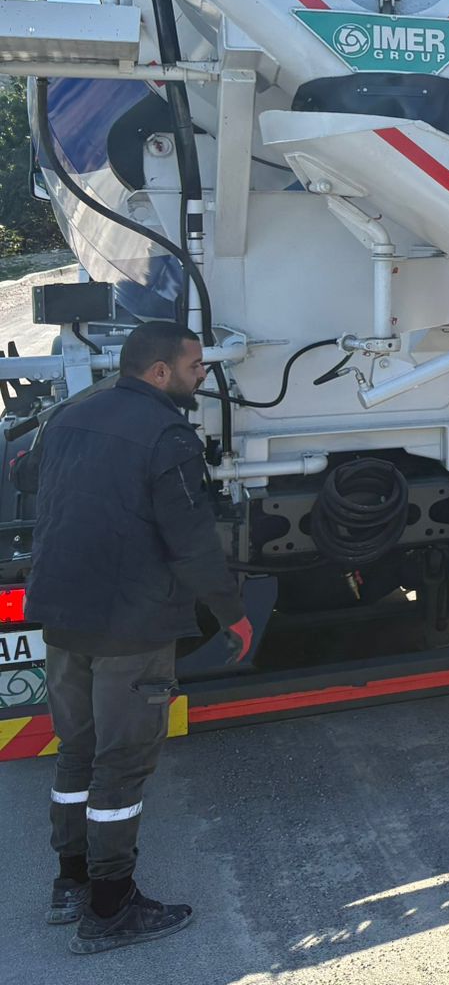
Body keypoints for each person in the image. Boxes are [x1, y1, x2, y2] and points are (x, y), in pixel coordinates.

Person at [26, 320, 251, 955]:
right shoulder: (167, 433)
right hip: (131, 625)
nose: (202, 375)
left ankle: (68, 884)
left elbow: (24, 478)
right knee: (120, 766)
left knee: (77, 754)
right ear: (159, 372)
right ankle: (110, 907)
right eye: (194, 366)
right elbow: (191, 540)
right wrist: (232, 612)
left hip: (64, 614)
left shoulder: (72, 412)